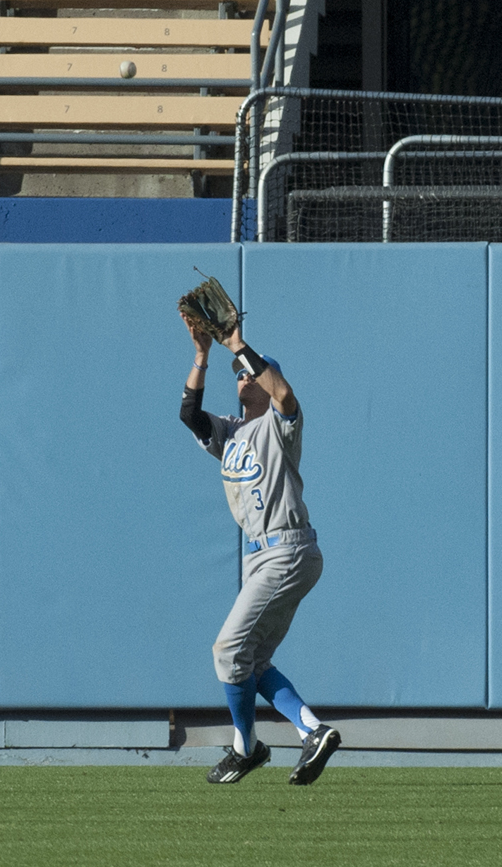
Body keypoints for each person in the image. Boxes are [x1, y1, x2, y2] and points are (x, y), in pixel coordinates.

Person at [179, 311, 341, 785]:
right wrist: (202, 354)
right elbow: (189, 415)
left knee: (228, 651)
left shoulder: (280, 425)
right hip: (264, 559)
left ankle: (246, 748)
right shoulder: (230, 433)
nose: (243, 378)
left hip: (286, 549)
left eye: (250, 373)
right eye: (239, 375)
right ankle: (312, 730)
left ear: (267, 382)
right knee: (253, 661)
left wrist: (237, 344)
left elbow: (285, 396)